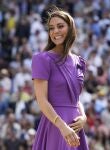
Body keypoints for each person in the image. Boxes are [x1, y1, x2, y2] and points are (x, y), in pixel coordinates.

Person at [31, 6, 89, 150]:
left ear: (71, 29)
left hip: (76, 128)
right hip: (55, 126)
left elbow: (76, 99)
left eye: (60, 26)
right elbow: (42, 100)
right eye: (51, 28)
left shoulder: (80, 62)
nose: (55, 31)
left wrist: (84, 117)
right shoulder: (42, 59)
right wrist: (62, 127)